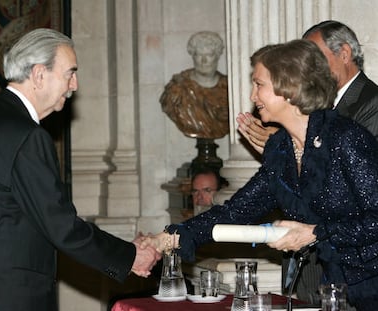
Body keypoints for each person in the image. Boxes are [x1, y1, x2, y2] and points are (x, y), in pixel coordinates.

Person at [142, 40, 378, 310]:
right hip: (340, 289)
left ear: (288, 87)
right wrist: (169, 238)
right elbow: (236, 211)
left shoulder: (344, 138)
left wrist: (315, 233)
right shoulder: (281, 149)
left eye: (259, 84)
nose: (253, 96)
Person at [0, 28, 160, 311]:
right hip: (9, 295)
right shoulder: (27, 135)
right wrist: (130, 256)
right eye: (70, 73)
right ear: (39, 74)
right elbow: (62, 227)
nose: (75, 85)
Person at [236, 20, 378, 304]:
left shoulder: (370, 105)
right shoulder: (310, 116)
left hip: (356, 274)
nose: (307, 64)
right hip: (310, 267)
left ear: (345, 54)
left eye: (312, 55)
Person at [238, 20, 378, 152]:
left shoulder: (373, 102)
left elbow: (354, 165)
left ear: (344, 54)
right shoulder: (316, 103)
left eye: (315, 58)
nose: (308, 68)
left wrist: (289, 144)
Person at [160, 31, 229, 139]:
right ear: (193, 55)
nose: (204, 60)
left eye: (209, 55)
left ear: (217, 56)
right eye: (199, 55)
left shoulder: (228, 89)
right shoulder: (178, 88)